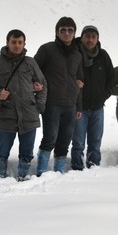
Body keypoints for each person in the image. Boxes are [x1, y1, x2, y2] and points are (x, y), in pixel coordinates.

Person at [0, 29, 47, 180]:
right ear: (7, 43)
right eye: (14, 42)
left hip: (29, 115)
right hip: (6, 115)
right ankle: (0, 178)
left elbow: (43, 85)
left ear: (24, 44)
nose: (17, 45)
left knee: (27, 153)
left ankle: (24, 176)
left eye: (20, 42)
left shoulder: (30, 62)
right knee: (2, 153)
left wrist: (39, 106)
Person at [33, 17, 84, 175]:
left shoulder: (77, 54)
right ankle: (41, 170)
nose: (67, 33)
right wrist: (36, 85)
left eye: (70, 30)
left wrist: (79, 104)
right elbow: (33, 69)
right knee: (50, 137)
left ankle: (59, 171)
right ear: (57, 32)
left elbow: (79, 81)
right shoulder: (47, 49)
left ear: (74, 33)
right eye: (63, 30)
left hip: (70, 104)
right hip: (52, 103)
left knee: (65, 140)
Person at [70, 25, 114, 170]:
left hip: (97, 107)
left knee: (95, 142)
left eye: (93, 37)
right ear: (81, 37)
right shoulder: (74, 54)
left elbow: (111, 78)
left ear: (97, 39)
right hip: (79, 108)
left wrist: (104, 96)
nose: (90, 40)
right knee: (78, 142)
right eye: (87, 36)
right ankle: (77, 167)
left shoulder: (103, 56)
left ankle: (94, 167)